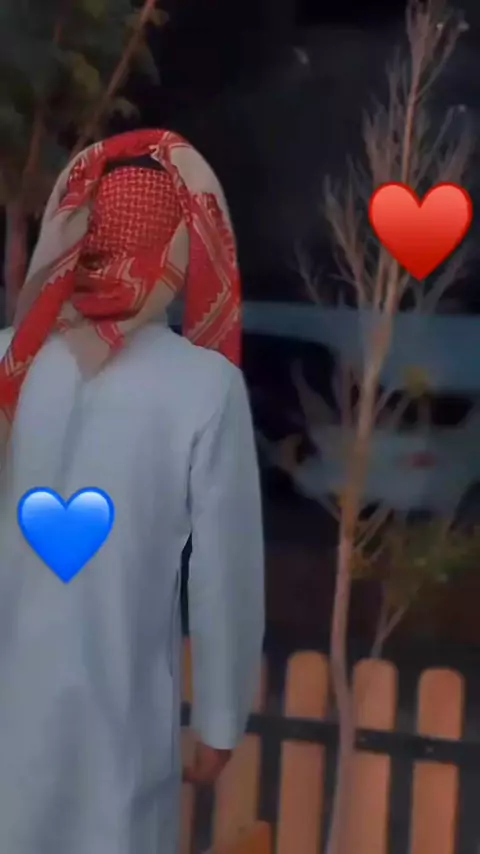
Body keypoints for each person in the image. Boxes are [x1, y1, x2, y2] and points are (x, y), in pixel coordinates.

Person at [0, 129, 264, 854]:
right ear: (181, 247)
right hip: (119, 730)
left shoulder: (8, 362)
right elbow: (224, 573)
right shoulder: (204, 385)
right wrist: (219, 718)